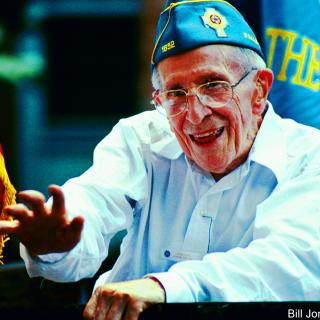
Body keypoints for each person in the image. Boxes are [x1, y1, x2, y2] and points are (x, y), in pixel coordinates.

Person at [1, 0, 320, 319]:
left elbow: (290, 265)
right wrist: (56, 244)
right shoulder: (142, 137)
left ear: (260, 89)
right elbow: (91, 204)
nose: (195, 114)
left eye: (213, 86)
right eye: (175, 94)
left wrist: (164, 288)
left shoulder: (309, 157)